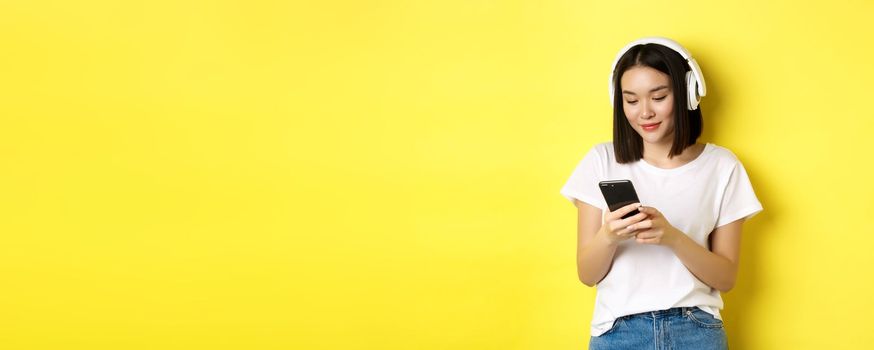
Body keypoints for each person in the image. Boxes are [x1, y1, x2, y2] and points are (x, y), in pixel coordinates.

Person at [559, 37, 763, 350]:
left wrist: (672, 237)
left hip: (696, 331)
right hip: (618, 333)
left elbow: (725, 278)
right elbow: (587, 274)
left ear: (688, 94)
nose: (645, 112)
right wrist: (609, 236)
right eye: (631, 100)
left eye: (658, 97)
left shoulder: (722, 166)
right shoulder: (600, 161)